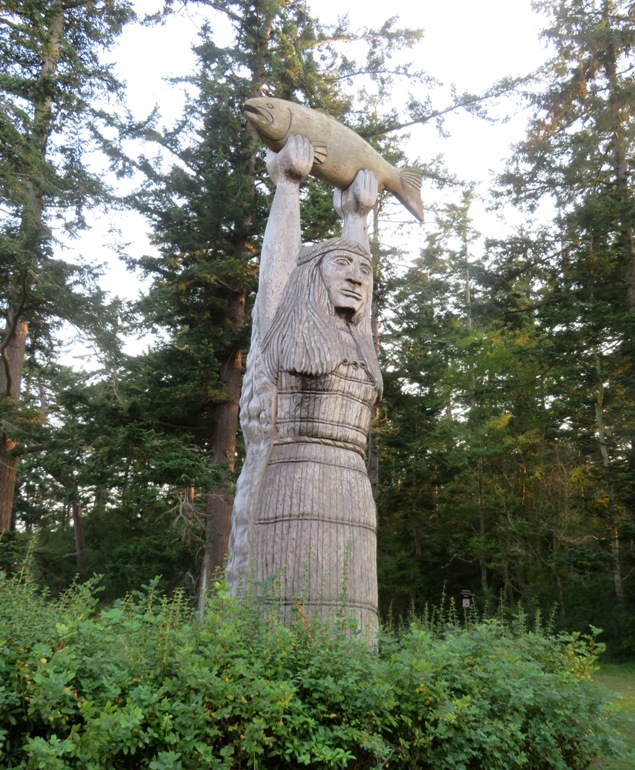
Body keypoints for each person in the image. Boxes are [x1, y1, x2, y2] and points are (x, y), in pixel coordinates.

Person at [227, 136, 381, 634]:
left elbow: (364, 306)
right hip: (288, 484)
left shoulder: (357, 341)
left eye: (364, 272)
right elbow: (277, 267)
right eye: (342, 265)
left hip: (352, 491)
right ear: (312, 276)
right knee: (281, 613)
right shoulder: (283, 327)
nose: (356, 278)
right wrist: (288, 186)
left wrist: (357, 215)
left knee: (351, 614)